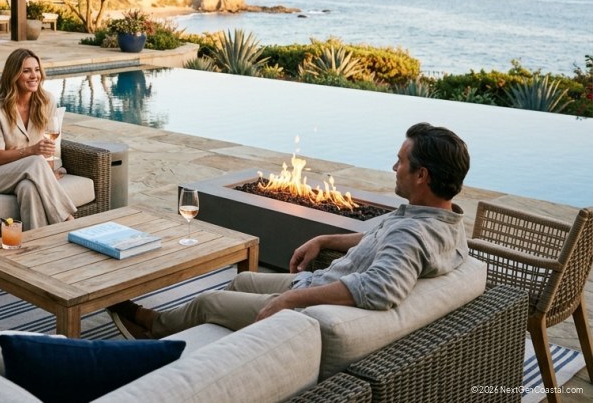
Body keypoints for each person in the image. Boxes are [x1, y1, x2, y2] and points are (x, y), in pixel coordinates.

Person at [109, 122, 471, 339]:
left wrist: (289, 300)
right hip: (317, 281)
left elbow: (380, 289)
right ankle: (196, 335)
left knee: (208, 301)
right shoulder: (444, 220)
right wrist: (326, 238)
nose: (394, 167)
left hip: (311, 306)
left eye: (401, 161)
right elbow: (381, 239)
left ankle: (151, 326)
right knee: (241, 282)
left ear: (421, 175)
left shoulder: (412, 234)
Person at [0, 48, 75, 230]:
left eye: (36, 69)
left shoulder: (47, 101)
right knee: (35, 162)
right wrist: (32, 151)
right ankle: (68, 219)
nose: (34, 75)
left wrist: (48, 174)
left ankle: (39, 246)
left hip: (27, 171)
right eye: (26, 71)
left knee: (28, 188)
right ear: (14, 75)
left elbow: (47, 148)